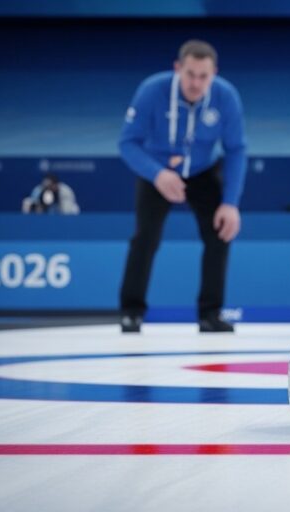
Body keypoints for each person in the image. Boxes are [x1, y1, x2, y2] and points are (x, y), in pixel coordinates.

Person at [117, 39, 247, 333]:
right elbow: (127, 143)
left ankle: (210, 313)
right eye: (190, 74)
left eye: (203, 76)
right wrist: (156, 174)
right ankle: (131, 311)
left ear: (214, 73)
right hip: (158, 171)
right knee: (145, 238)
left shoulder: (226, 96)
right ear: (178, 68)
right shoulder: (152, 90)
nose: (196, 83)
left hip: (203, 170)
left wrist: (231, 202)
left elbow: (236, 149)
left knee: (220, 233)